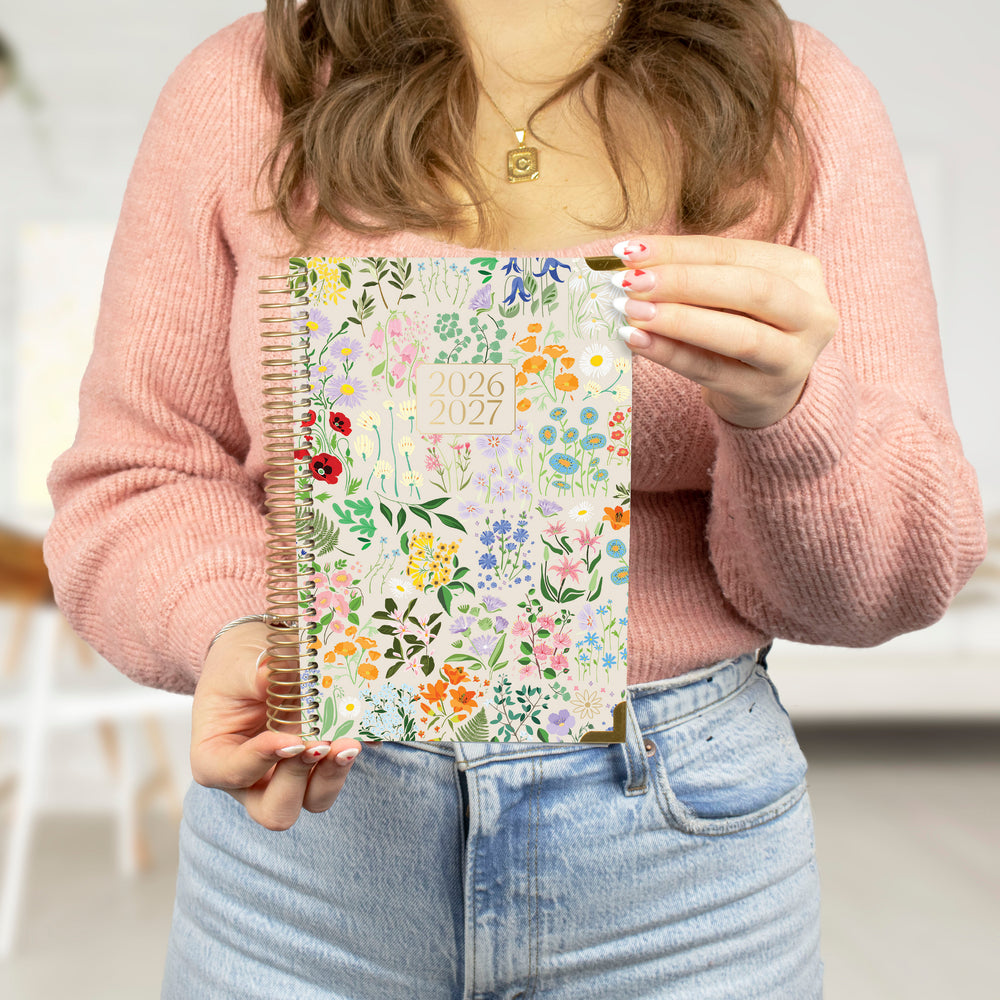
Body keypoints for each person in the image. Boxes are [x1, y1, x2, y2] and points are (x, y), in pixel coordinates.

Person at [44, 1, 986, 997]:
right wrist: (229, 628)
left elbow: (897, 577)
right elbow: (137, 476)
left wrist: (793, 415)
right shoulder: (242, 90)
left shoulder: (800, 99)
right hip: (309, 847)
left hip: (680, 874)